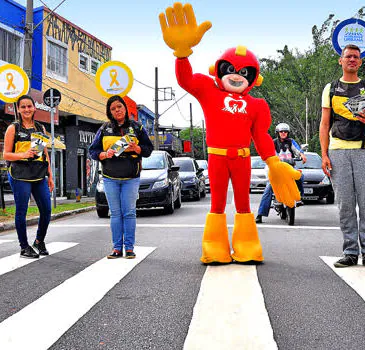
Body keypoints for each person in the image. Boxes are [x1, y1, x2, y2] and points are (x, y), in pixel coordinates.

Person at [159, 3, 301, 264]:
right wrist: (181, 54)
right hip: (216, 158)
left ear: (254, 77)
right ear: (219, 69)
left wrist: (273, 161)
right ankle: (214, 247)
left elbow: (260, 136)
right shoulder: (208, 90)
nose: (236, 76)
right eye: (231, 70)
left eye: (244, 72)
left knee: (244, 203)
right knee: (217, 204)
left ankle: (246, 245)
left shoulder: (257, 105)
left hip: (243, 158)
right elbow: (185, 79)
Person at [319, 44, 365, 269]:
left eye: (356, 57)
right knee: (345, 205)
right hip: (338, 151)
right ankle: (349, 252)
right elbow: (325, 123)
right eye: (348, 57)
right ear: (341, 61)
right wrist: (324, 154)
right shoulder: (331, 88)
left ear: (360, 61)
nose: (352, 60)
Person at [89, 95, 153, 259]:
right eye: (113, 108)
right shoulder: (104, 129)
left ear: (125, 108)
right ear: (109, 112)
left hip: (131, 177)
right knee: (115, 213)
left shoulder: (137, 128)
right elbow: (93, 151)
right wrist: (104, 154)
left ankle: (129, 248)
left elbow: (148, 149)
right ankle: (117, 248)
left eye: (119, 107)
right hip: (110, 177)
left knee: (129, 212)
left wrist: (137, 148)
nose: (117, 110)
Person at [2, 95, 54, 258]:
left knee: (46, 210)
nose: (26, 109)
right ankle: (24, 247)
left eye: (29, 106)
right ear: (18, 109)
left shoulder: (41, 128)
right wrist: (23, 154)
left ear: (34, 108)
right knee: (22, 211)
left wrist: (50, 175)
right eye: (23, 107)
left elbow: (45, 153)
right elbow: (6, 155)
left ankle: (39, 241)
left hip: (39, 174)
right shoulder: (13, 128)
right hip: (20, 174)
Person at [255, 122, 306, 223]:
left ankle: (299, 197)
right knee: (268, 189)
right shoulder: (273, 143)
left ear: (288, 133)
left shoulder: (291, 142)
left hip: (289, 169)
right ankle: (260, 214)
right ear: (277, 132)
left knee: (300, 176)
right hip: (276, 171)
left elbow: (297, 150)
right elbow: (269, 152)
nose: (283, 133)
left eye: (285, 131)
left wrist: (302, 155)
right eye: (281, 131)